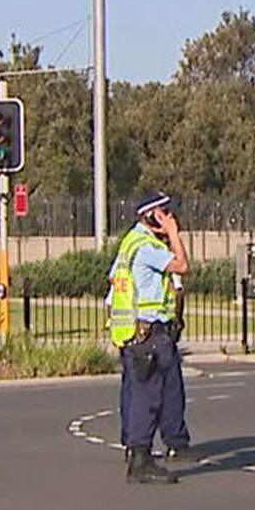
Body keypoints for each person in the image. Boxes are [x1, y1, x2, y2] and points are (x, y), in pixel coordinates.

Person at [107, 192, 191, 484]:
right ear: (151, 216)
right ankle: (140, 461)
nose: (170, 218)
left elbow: (114, 282)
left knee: (144, 393)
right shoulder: (147, 246)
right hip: (148, 332)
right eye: (164, 213)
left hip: (138, 331)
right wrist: (173, 233)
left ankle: (139, 452)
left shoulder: (130, 243)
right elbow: (182, 266)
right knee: (148, 397)